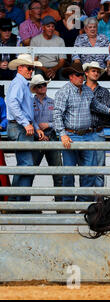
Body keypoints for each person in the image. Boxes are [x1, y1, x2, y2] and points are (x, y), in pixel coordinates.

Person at [53, 62, 110, 202]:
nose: (81, 77)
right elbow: (57, 114)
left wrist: (108, 110)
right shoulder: (63, 92)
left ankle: (83, 202)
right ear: (71, 77)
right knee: (69, 172)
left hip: (87, 135)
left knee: (89, 171)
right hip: (70, 135)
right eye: (78, 75)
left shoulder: (87, 91)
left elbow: (95, 105)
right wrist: (62, 134)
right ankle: (68, 204)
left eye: (82, 75)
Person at [5, 54, 45, 202]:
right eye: (29, 68)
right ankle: (16, 202)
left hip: (21, 126)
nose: (31, 71)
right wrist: (26, 123)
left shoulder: (21, 83)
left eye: (32, 68)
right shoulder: (18, 84)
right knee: (26, 164)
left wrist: (34, 126)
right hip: (19, 126)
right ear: (20, 68)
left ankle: (20, 202)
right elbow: (13, 104)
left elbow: (24, 110)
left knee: (25, 164)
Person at [30, 74, 63, 202]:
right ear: (35, 88)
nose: (43, 87)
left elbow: (59, 121)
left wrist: (47, 125)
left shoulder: (53, 102)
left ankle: (61, 205)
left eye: (44, 85)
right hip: (36, 138)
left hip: (51, 137)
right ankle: (25, 205)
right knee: (30, 172)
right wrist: (38, 130)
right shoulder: (30, 103)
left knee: (58, 173)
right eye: (40, 86)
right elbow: (28, 120)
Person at [83, 61, 110, 188]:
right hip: (84, 132)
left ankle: (99, 201)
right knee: (85, 169)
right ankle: (86, 199)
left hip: (98, 131)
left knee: (100, 168)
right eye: (93, 71)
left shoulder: (104, 91)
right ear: (86, 73)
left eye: (98, 71)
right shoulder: (80, 89)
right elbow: (104, 109)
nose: (96, 73)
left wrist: (90, 106)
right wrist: (99, 108)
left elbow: (105, 110)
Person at [30, 16, 66, 80]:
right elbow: (34, 60)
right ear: (43, 27)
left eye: (53, 26)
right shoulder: (35, 40)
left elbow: (62, 60)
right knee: (37, 75)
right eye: (48, 26)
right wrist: (45, 70)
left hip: (56, 67)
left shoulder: (60, 40)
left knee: (63, 75)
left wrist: (53, 69)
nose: (51, 29)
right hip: (41, 67)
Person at [0, 84, 10, 201]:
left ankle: (5, 202)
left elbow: (5, 117)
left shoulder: (0, 100)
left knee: (1, 169)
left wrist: (1, 126)